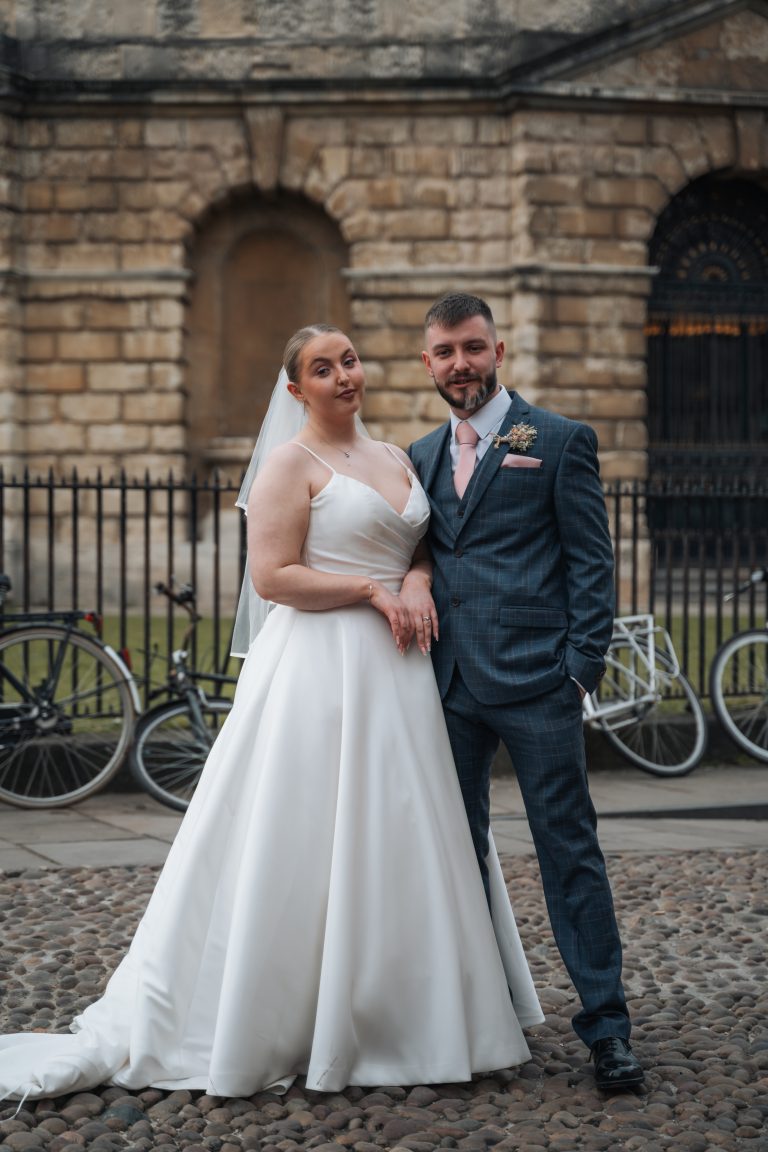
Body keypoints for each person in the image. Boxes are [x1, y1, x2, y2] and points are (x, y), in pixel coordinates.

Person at [0, 324, 543, 1105]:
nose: (343, 376)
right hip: (322, 669)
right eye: (323, 369)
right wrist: (366, 590)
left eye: (349, 360)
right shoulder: (291, 464)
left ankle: (412, 1011)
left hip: (400, 675)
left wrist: (416, 580)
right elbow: (273, 577)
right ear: (297, 391)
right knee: (307, 833)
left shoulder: (395, 457)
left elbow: (421, 542)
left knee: (404, 828)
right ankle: (297, 1013)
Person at [405, 292, 644, 1091]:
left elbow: (591, 561)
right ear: (428, 363)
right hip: (448, 688)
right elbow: (422, 554)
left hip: (540, 682)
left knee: (568, 852)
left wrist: (580, 668)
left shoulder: (557, 439)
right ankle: (480, 1015)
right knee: (455, 854)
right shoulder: (420, 456)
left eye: (472, 348)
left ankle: (607, 1028)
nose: (459, 365)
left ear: (498, 351)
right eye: (444, 352)